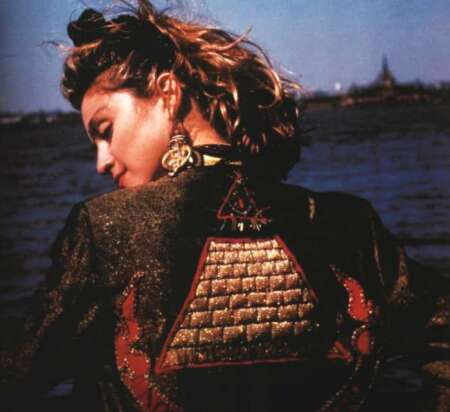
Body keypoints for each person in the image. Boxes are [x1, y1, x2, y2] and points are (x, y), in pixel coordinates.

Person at [1, 1, 448, 411]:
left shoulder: (103, 229)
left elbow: (17, 376)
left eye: (105, 130)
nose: (101, 162)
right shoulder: (350, 223)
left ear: (166, 93)